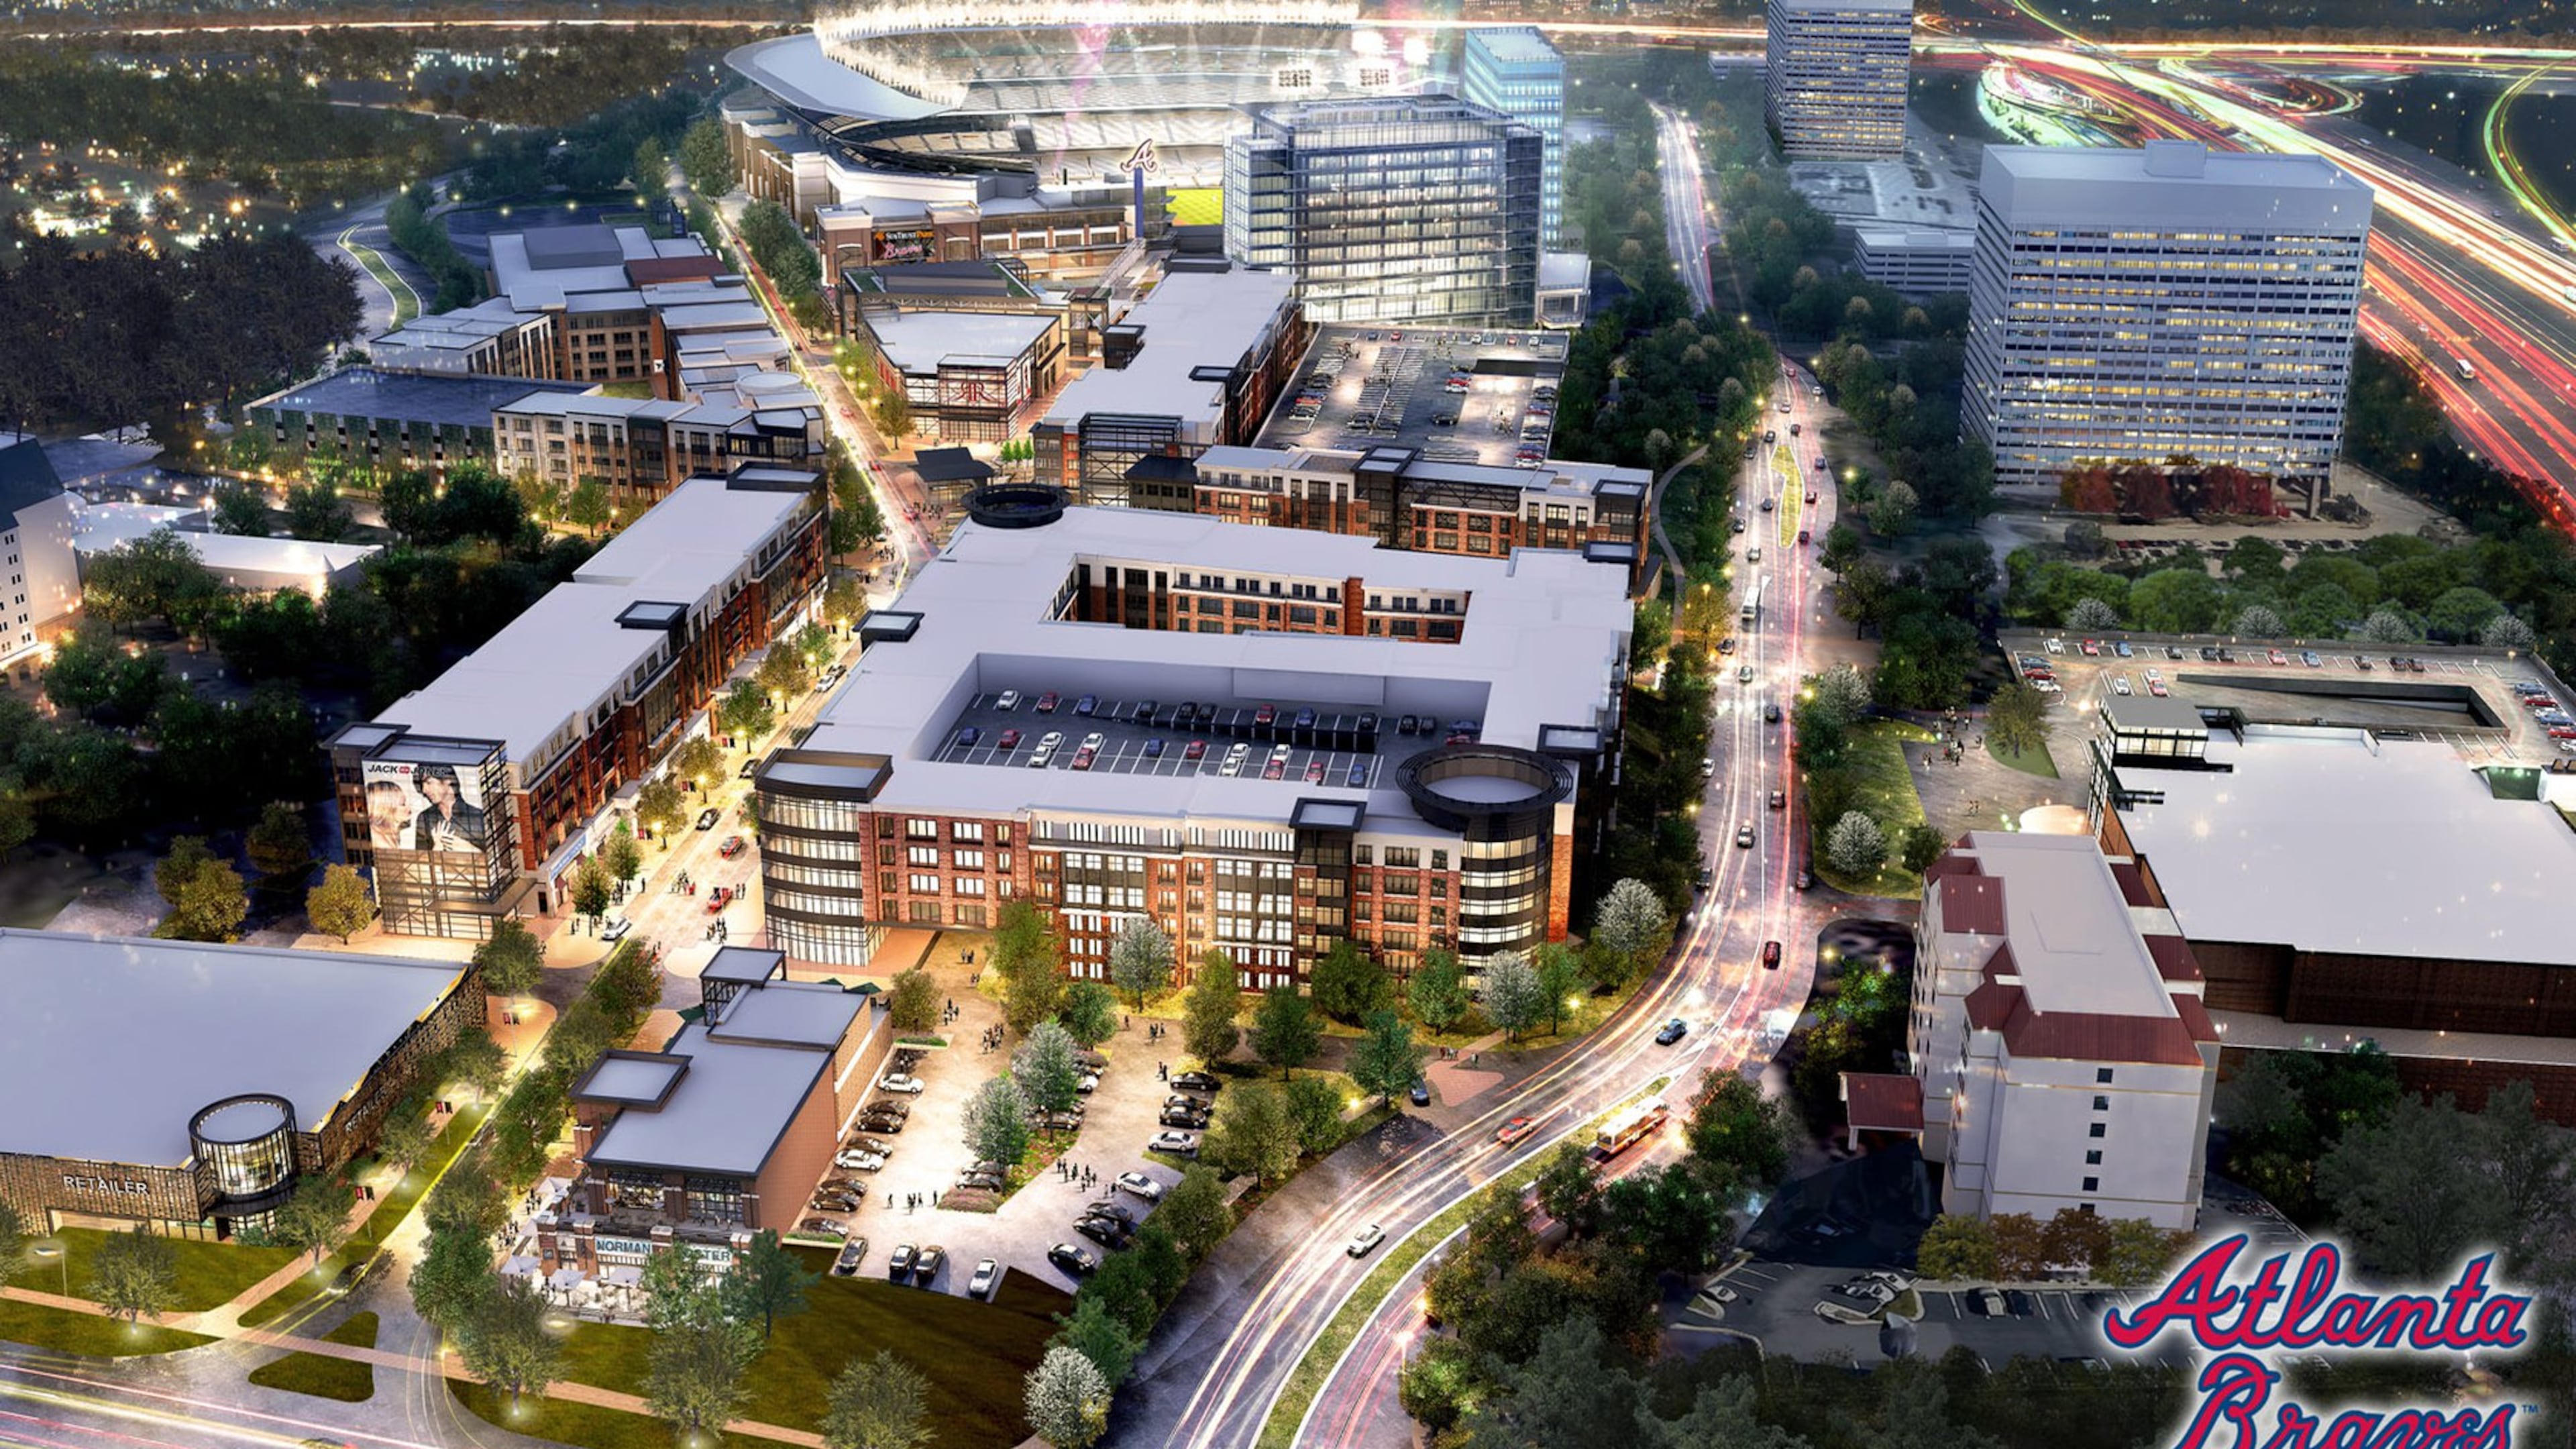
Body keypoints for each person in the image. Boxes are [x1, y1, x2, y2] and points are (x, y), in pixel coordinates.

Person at [410, 763, 490, 853]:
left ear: (448, 780)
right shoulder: (424, 818)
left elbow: (494, 856)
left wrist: (471, 850)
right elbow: (420, 859)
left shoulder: (479, 817)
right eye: (422, 785)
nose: (424, 790)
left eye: (429, 782)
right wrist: (436, 848)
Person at [364, 778, 412, 853]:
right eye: (403, 804)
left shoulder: (390, 834)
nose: (409, 808)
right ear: (386, 808)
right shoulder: (376, 838)